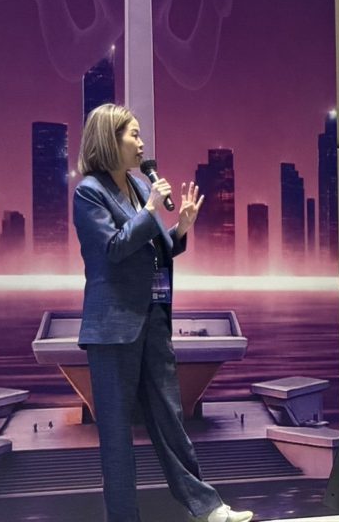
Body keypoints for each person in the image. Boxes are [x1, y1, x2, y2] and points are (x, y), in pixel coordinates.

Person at [73, 103, 253, 522]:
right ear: (109, 140)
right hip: (113, 328)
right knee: (116, 435)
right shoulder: (89, 192)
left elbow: (154, 251)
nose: (142, 144)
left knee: (170, 418)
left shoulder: (140, 187)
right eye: (133, 135)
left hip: (153, 319)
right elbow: (114, 249)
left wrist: (180, 229)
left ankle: (207, 508)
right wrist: (152, 211)